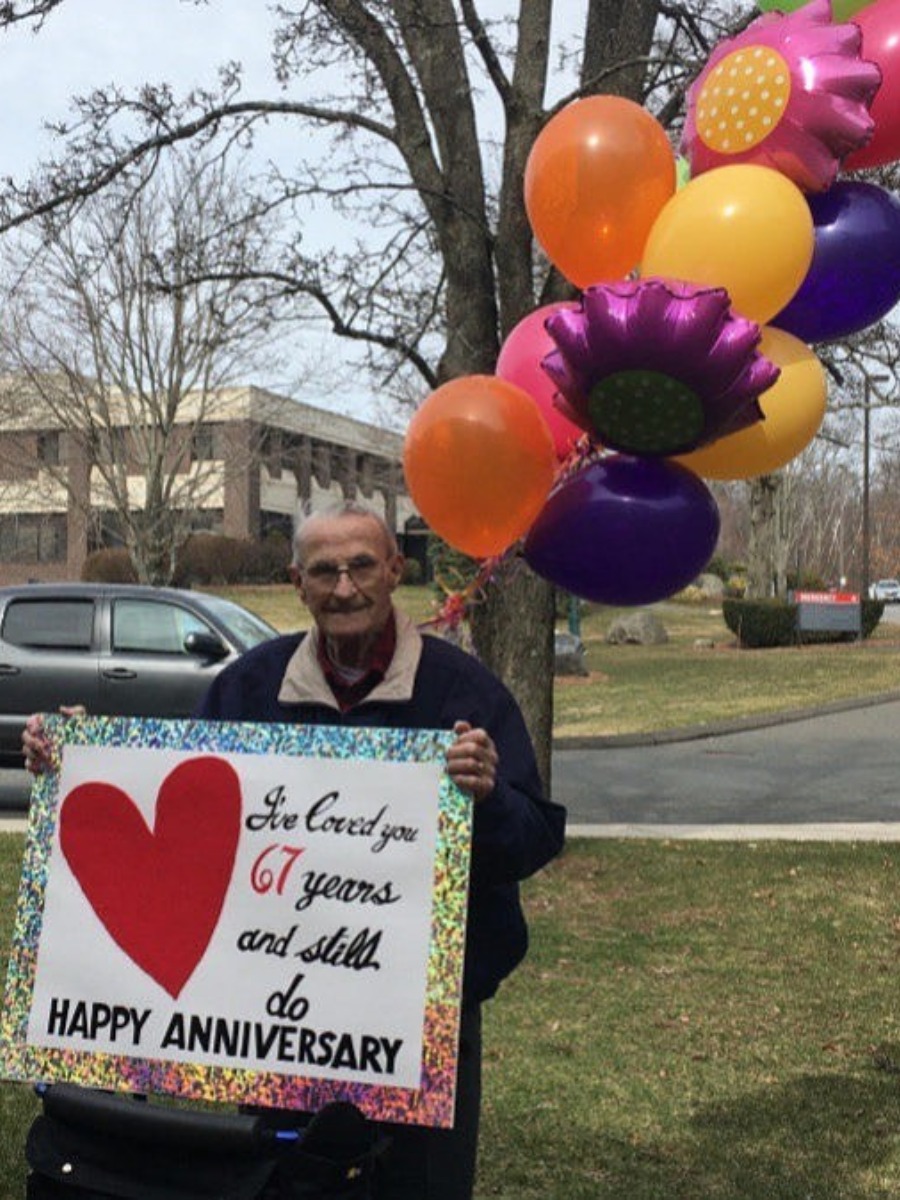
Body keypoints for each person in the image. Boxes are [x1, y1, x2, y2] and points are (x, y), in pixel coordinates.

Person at [23, 499, 566, 1200]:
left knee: (417, 1188)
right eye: (325, 571)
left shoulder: (463, 694)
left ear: (396, 570)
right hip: (273, 1015)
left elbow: (532, 841)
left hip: (419, 1017)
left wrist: (488, 799)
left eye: (362, 566)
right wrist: (79, 764)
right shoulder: (248, 687)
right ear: (297, 582)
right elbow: (181, 813)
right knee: (284, 1184)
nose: (345, 587)